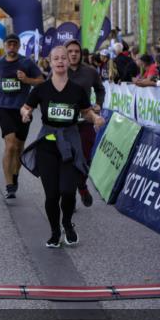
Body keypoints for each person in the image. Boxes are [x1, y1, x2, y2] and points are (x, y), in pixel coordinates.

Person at [20, 44, 106, 247]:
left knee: (67, 191)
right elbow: (26, 107)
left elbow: (86, 112)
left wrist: (95, 118)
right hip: (47, 145)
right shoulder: (41, 89)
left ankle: (67, 223)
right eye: (56, 58)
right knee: (52, 194)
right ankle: (54, 231)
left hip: (69, 144)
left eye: (63, 58)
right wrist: (26, 113)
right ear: (50, 62)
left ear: (68, 61)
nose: (60, 61)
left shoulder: (76, 90)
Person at [0, 34, 44, 199]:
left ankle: (15, 176)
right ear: (5, 46)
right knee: (10, 145)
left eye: (15, 44)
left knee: (19, 148)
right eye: (9, 44)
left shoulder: (26, 62)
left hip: (23, 109)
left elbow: (41, 80)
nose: (12, 47)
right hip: (4, 108)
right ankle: (8, 185)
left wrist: (27, 79)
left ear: (19, 46)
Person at [65, 40, 104, 207]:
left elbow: (100, 89)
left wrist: (99, 104)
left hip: (85, 121)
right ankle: (71, 196)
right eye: (70, 51)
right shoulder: (59, 71)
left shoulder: (90, 72)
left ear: (80, 54)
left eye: (76, 51)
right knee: (68, 160)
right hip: (66, 125)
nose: (73, 54)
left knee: (84, 159)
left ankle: (81, 186)